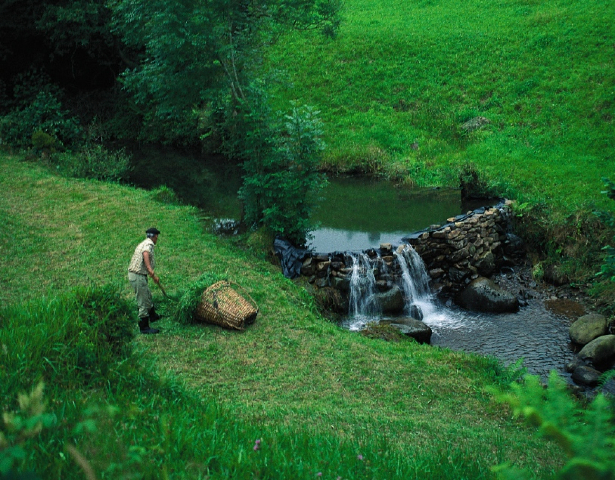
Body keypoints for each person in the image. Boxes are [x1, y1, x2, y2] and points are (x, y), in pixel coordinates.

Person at [128, 227, 162, 334]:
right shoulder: (149, 244)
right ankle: (144, 327)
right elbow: (146, 253)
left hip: (138, 275)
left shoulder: (144, 242)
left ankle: (153, 316)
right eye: (157, 236)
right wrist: (150, 270)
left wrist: (151, 274)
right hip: (137, 275)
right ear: (155, 236)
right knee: (142, 300)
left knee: (147, 295)